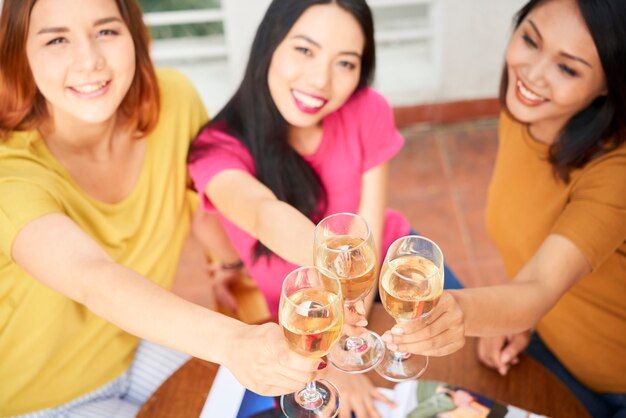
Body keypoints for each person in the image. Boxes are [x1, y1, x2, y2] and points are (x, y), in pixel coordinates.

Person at [0, 0, 324, 416]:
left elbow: (195, 201)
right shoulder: (9, 174)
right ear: (19, 55)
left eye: (106, 31)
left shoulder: (174, 100)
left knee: (280, 403)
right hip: (46, 395)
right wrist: (235, 342)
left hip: (134, 347)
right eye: (57, 39)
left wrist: (228, 265)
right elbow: (91, 278)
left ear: (134, 36)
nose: (90, 61)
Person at [188, 0, 462, 416]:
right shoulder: (216, 150)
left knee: (470, 362)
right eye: (304, 49)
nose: (320, 80)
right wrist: (333, 348)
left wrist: (349, 335)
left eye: (345, 63)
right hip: (312, 312)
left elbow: (369, 235)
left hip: (393, 271)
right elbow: (262, 212)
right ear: (270, 45)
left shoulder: (368, 109)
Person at [381, 0, 626, 417]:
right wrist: (515, 318)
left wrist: (461, 313)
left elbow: (540, 287)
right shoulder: (526, 113)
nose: (531, 73)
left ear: (609, 84)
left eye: (567, 68)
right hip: (545, 349)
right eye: (530, 40)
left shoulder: (616, 172)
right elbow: (533, 244)